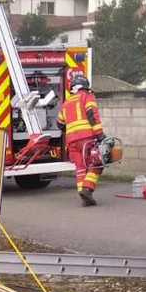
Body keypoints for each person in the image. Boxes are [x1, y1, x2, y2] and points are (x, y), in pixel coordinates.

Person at [56, 72, 106, 206]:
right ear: (85, 86)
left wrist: (72, 132)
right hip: (87, 139)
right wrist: (100, 134)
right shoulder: (87, 96)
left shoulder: (66, 103)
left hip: (72, 142)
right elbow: (92, 115)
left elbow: (60, 124)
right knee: (95, 164)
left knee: (80, 167)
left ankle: (83, 195)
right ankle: (87, 189)